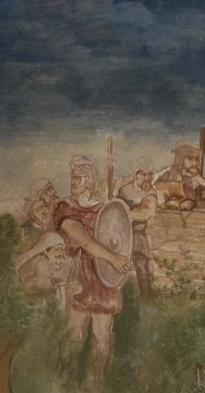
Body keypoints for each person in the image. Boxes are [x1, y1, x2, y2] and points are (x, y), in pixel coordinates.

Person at [16, 157, 136, 380]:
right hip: (79, 276)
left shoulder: (102, 208)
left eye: (78, 178)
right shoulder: (66, 208)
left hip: (102, 278)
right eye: (72, 178)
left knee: (102, 337)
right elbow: (85, 242)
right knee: (74, 334)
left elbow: (116, 235)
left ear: (89, 180)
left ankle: (94, 385)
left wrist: (121, 260)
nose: (72, 182)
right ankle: (64, 382)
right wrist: (114, 259)